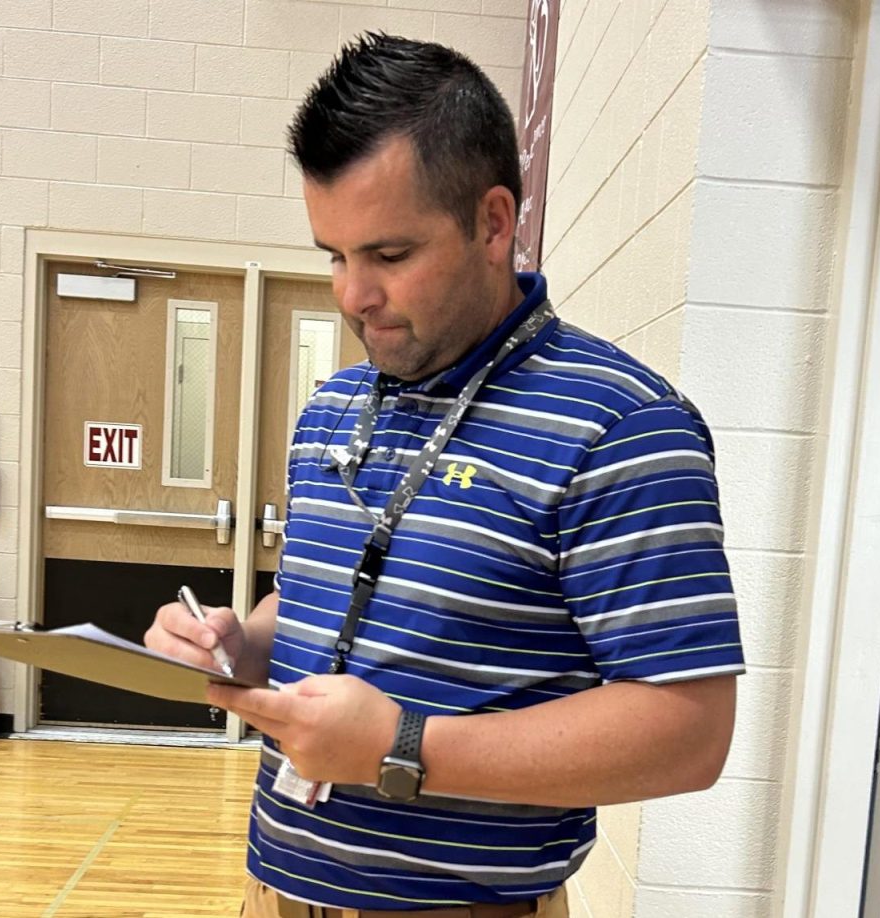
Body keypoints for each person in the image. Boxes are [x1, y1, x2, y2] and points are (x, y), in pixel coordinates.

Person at [146, 33, 744, 917]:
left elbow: (690, 735)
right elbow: (322, 604)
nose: (352, 295)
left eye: (389, 256)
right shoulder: (333, 410)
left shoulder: (623, 427)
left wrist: (403, 746)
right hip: (274, 889)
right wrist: (242, 643)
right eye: (334, 255)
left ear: (494, 221)